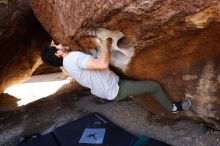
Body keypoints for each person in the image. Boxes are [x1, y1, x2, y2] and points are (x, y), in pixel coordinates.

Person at [41, 38, 191, 112]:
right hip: (116, 89)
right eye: (57, 46)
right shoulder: (73, 57)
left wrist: (99, 53)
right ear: (59, 53)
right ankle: (173, 108)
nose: (60, 44)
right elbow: (102, 65)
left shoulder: (67, 65)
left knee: (132, 81)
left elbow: (94, 67)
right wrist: (106, 44)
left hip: (107, 89)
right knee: (154, 86)